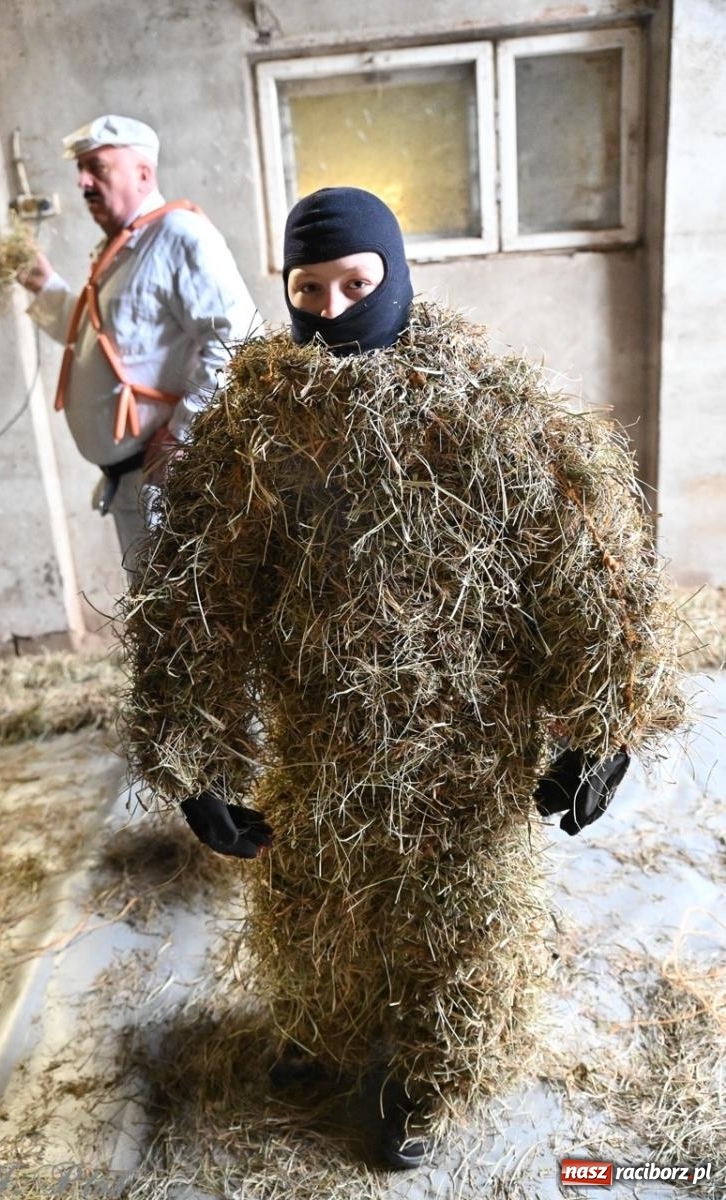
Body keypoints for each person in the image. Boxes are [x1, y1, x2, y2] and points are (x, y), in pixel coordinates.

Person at [120, 188, 687, 1168]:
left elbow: (589, 571)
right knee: (314, 898)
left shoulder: (491, 411)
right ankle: (328, 1033)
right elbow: (194, 596)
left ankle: (434, 1074)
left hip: (462, 746)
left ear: (396, 275)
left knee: (448, 919)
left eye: (356, 283)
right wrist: (193, 755)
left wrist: (607, 723)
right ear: (287, 295)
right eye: (310, 290)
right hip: (316, 740)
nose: (334, 311)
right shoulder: (255, 427)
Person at [19, 113, 259, 572]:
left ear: (144, 173)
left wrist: (182, 436)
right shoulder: (122, 248)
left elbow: (237, 337)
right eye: (81, 171)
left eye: (97, 168)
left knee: (181, 616)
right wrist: (44, 286)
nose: (83, 183)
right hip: (133, 478)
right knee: (156, 615)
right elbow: (96, 334)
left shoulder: (180, 237)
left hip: (165, 477)